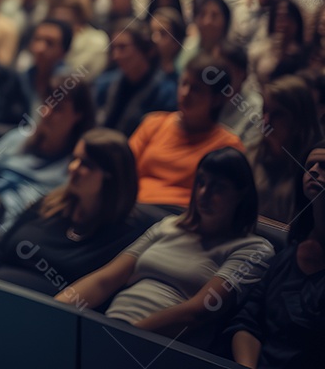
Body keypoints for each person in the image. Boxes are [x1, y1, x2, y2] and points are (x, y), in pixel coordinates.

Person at [57, 148, 274, 349]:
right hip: (114, 326)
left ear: (241, 194)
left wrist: (125, 337)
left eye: (218, 187)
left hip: (161, 347)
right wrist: (54, 310)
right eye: (201, 182)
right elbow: (105, 279)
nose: (204, 193)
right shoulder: (168, 225)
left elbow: (198, 312)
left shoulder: (253, 249)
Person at [0, 128, 148, 295]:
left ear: (111, 177)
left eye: (86, 164)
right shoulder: (48, 204)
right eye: (74, 159)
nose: (73, 168)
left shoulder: (124, 235)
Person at [228, 141, 325, 368]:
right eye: (310, 165)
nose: (313, 171)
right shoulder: (287, 254)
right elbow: (248, 322)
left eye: (324, 166)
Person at [0, 72, 95, 231]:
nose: (46, 113)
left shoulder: (74, 167)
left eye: (58, 109)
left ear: (78, 116)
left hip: (11, 234)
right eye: (46, 103)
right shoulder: (16, 138)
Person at [130, 52, 246, 207]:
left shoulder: (227, 145)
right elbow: (123, 169)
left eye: (196, 89)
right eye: (184, 84)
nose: (185, 93)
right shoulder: (154, 123)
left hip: (178, 218)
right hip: (134, 205)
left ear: (216, 99)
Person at [251, 76, 323, 223]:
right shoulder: (250, 153)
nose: (266, 121)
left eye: (278, 114)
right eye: (264, 111)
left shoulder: (314, 165)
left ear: (299, 118)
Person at [93, 20, 177, 136]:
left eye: (123, 48)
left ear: (146, 49)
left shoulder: (166, 92)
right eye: (114, 48)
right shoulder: (105, 83)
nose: (116, 56)